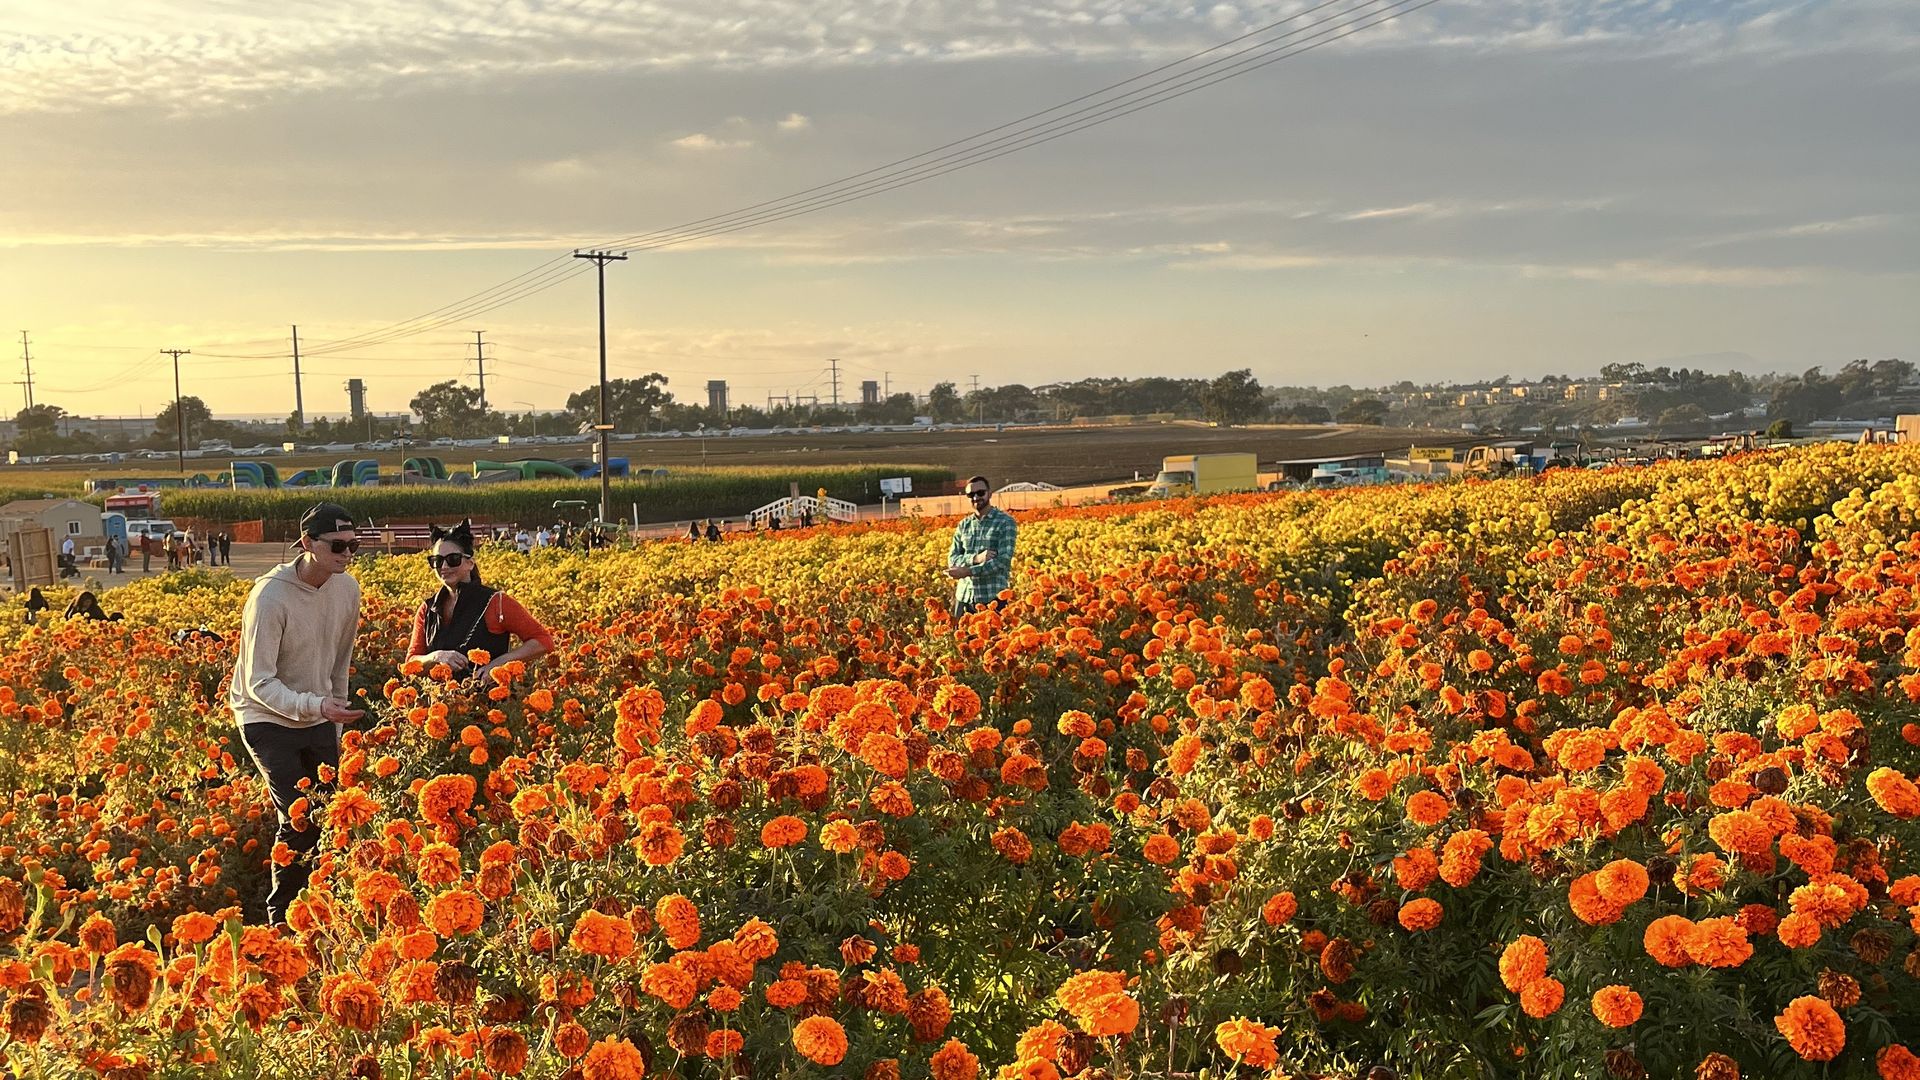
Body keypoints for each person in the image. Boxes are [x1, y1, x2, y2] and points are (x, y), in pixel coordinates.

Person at [230, 502, 365, 927]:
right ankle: (283, 920)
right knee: (299, 817)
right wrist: (315, 705)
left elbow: (340, 660)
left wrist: (334, 714)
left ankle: (324, 908)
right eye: (338, 546)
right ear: (307, 543)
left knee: (332, 815)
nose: (347, 554)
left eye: (354, 545)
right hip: (266, 716)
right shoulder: (270, 597)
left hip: (320, 713)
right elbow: (258, 682)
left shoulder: (347, 589)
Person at [405, 520, 553, 682]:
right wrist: (435, 657)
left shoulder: (496, 602)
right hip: (438, 696)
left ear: (470, 563)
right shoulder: (427, 609)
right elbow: (411, 661)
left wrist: (500, 663)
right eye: (437, 560)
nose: (444, 567)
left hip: (485, 695)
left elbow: (543, 641)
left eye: (453, 559)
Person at [945, 475, 1017, 619]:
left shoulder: (1005, 522)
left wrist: (968, 571)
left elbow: (1001, 562)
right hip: (964, 597)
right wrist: (976, 559)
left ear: (989, 494)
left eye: (980, 493)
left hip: (993, 598)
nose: (976, 497)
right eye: (971, 494)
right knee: (959, 634)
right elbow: (952, 559)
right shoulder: (964, 525)